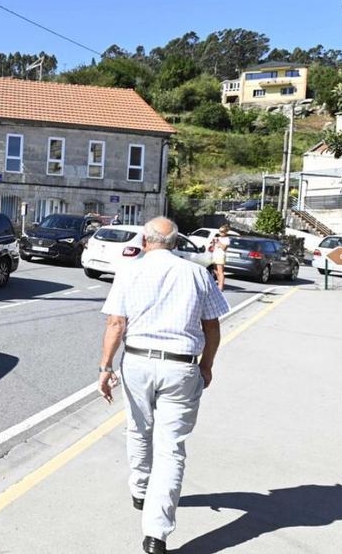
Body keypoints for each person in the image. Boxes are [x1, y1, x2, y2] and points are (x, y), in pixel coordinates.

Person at [97, 217, 229, 554]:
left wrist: (105, 367)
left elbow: (116, 323)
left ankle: (140, 491)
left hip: (138, 361)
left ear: (145, 241)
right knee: (172, 448)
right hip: (181, 366)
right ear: (176, 243)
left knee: (138, 429)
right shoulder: (197, 273)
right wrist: (208, 365)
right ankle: (156, 533)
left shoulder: (129, 270)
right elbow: (212, 326)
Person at [211, 224, 231, 291]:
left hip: (220, 256)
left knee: (220, 271)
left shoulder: (226, 239)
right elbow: (213, 248)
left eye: (222, 231)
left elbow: (224, 248)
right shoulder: (218, 238)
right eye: (219, 231)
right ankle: (218, 284)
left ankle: (221, 287)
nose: (220, 233)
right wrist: (213, 243)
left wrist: (218, 242)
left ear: (225, 232)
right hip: (215, 255)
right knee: (215, 271)